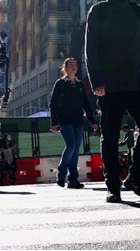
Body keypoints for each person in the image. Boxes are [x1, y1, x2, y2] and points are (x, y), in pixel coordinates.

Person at [84, 0, 140, 203]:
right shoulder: (99, 11)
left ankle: (136, 177)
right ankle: (113, 185)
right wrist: (97, 81)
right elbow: (91, 48)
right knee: (110, 136)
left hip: (138, 82)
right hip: (110, 85)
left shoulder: (138, 11)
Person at [49, 57, 99, 189]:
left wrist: (92, 121)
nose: (74, 66)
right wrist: (54, 122)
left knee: (76, 149)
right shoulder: (61, 83)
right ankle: (61, 172)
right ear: (65, 68)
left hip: (78, 120)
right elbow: (53, 104)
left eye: (75, 64)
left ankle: (73, 179)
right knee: (71, 145)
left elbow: (86, 105)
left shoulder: (80, 85)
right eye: (70, 64)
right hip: (64, 120)